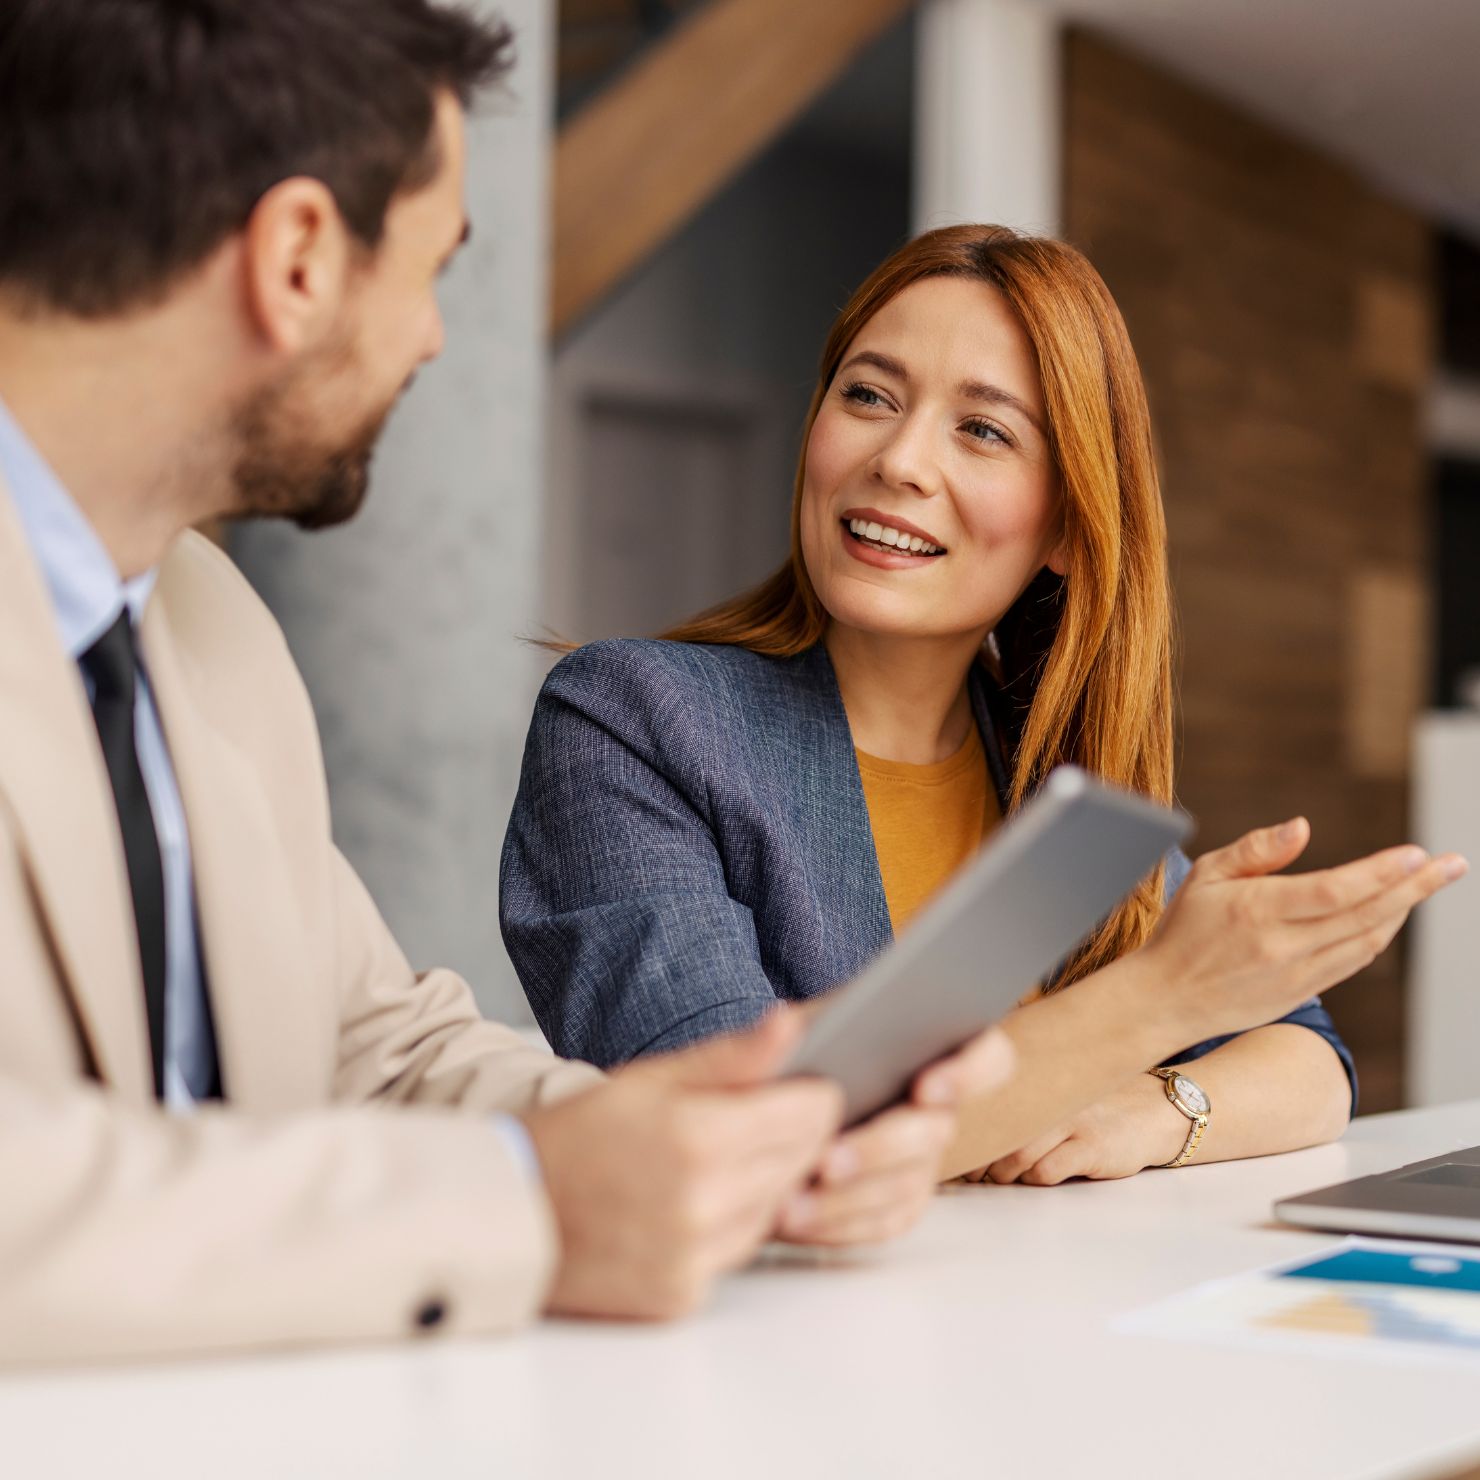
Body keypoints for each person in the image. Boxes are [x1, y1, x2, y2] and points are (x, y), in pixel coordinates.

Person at [0, 0, 1021, 1366]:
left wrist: (691, 1143)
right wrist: (529, 1202)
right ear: (299, 257)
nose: (435, 340)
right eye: (435, 271)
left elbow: (375, 1036)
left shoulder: (208, 622)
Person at [501, 225, 1466, 1197]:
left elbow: (1306, 1063)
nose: (901, 460)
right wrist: (1157, 1001)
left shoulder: (1045, 770)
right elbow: (744, 1140)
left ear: (1062, 525)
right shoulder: (633, 721)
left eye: (983, 429)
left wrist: (1148, 1110)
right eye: (868, 395)